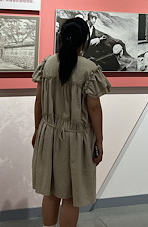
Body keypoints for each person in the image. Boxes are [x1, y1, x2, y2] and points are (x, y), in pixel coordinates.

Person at [32, 17, 111, 227]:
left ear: (61, 38)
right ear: (84, 41)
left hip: (48, 133)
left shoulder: (47, 64)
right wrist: (99, 140)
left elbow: (39, 100)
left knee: (50, 192)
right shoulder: (89, 69)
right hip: (75, 139)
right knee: (70, 195)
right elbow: (94, 108)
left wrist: (37, 128)